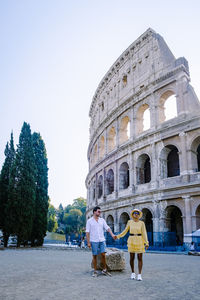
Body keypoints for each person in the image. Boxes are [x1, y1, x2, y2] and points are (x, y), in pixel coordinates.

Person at [117, 209, 149, 281]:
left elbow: (144, 233)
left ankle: (139, 274)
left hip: (139, 240)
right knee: (132, 257)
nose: (136, 214)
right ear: (132, 214)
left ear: (139, 215)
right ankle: (133, 273)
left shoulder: (142, 223)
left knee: (140, 258)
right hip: (131, 240)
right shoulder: (130, 222)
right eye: (134, 213)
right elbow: (125, 231)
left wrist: (146, 242)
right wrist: (118, 236)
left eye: (137, 213)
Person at [86, 206, 116, 277]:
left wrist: (112, 235)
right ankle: (95, 271)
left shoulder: (102, 220)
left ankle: (104, 270)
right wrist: (88, 242)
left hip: (102, 240)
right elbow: (87, 232)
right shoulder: (89, 221)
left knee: (103, 254)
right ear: (94, 212)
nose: (100, 213)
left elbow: (107, 228)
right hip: (94, 241)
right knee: (95, 256)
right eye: (98, 211)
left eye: (100, 211)